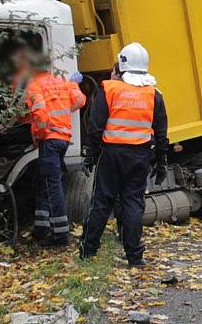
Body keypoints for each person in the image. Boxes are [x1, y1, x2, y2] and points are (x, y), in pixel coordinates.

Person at [79, 42, 168, 267]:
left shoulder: (109, 89)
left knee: (102, 202)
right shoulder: (154, 94)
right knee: (132, 204)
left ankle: (88, 252)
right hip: (139, 156)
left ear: (122, 65)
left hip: (111, 154)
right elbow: (160, 131)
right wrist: (162, 161)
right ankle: (134, 257)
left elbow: (95, 126)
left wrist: (90, 153)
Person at [13, 47, 86, 247]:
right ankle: (42, 228)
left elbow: (39, 114)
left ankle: (60, 236)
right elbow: (80, 101)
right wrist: (73, 85)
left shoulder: (35, 86)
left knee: (52, 187)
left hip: (50, 141)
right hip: (63, 139)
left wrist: (42, 133)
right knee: (45, 183)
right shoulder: (62, 83)